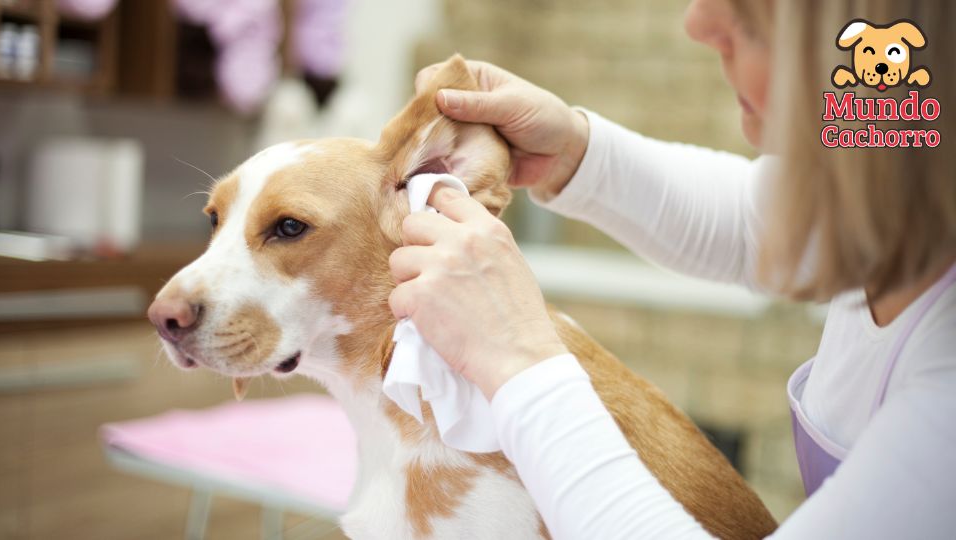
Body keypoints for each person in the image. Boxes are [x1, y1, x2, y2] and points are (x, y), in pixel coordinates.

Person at [387, 0, 956, 537]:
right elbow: (747, 218)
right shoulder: (899, 201)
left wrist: (516, 358)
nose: (698, 22)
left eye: (753, 20)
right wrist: (571, 151)